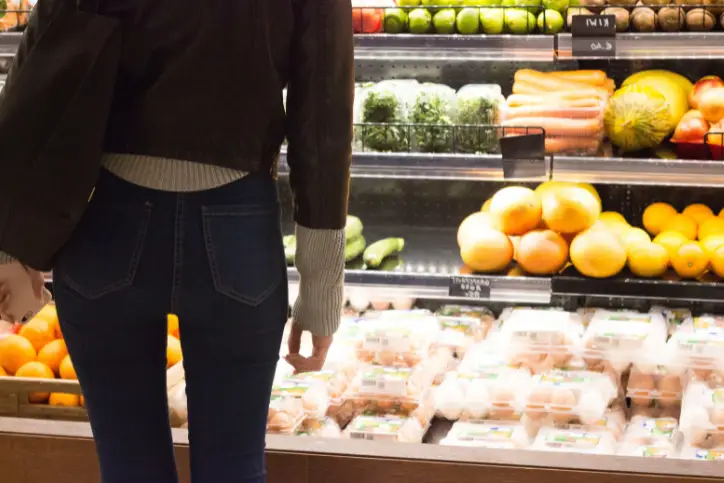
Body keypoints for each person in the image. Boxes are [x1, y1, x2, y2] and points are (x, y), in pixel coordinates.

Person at [0, 1, 354, 482]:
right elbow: (325, 102)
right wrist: (321, 285)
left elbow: (43, 61)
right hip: (238, 229)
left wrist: (12, 242)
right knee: (234, 467)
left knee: (130, 467)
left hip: (105, 222)